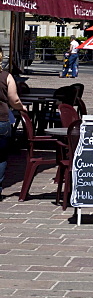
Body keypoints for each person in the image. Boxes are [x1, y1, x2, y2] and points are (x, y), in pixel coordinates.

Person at [0, 49, 27, 199]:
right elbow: (14, 100)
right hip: (1, 120)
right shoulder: (6, 76)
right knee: (1, 157)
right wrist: (21, 108)